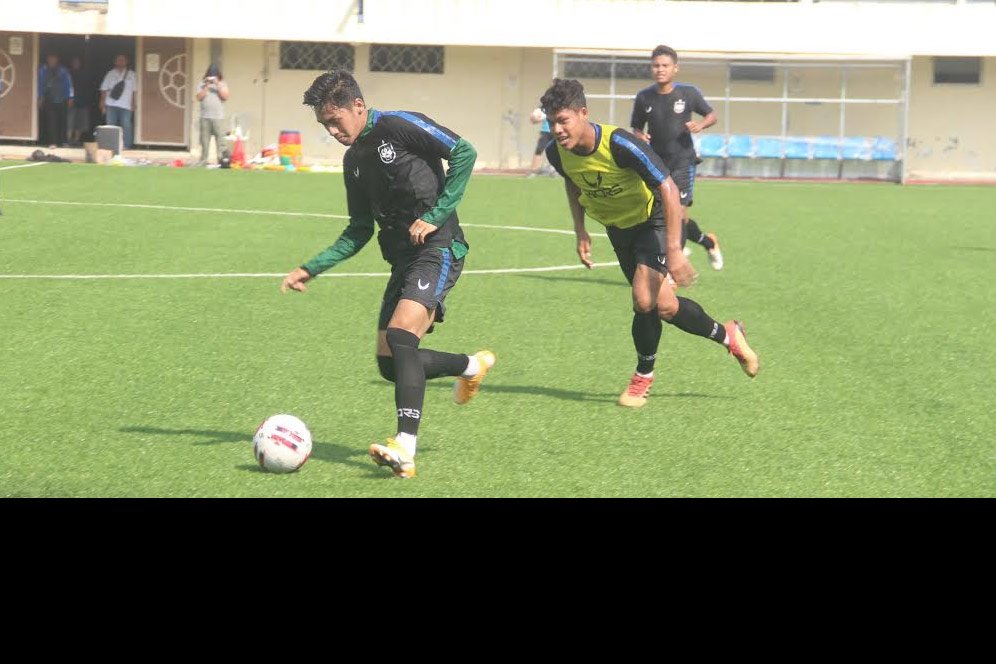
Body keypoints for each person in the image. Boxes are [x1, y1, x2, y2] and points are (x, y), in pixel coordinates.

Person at [280, 70, 496, 479]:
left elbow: (464, 151)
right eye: (324, 125)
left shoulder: (400, 125)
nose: (332, 130)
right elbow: (359, 229)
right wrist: (312, 267)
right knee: (389, 363)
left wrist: (434, 216)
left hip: (440, 247)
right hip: (403, 261)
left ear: (358, 107)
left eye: (335, 120)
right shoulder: (353, 161)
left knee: (401, 337)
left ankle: (405, 447)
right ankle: (471, 365)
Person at [541, 78, 758, 408]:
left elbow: (668, 189)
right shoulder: (556, 153)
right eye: (551, 121)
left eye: (563, 120)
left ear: (583, 113)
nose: (556, 129)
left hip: (651, 220)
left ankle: (643, 376)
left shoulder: (619, 144)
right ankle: (730, 336)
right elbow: (574, 184)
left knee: (643, 300)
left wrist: (673, 250)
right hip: (618, 229)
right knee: (666, 307)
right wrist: (580, 230)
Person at [630, 45, 724, 270]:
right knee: (671, 218)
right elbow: (635, 128)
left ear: (675, 69)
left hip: (683, 162)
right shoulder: (644, 97)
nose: (660, 69)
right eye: (656, 65)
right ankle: (708, 242)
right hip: (656, 165)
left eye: (665, 65)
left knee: (678, 212)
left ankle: (672, 269)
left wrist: (700, 124)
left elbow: (711, 115)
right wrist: (640, 136)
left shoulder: (688, 93)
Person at [195, 64, 230, 166]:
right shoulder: (202, 84)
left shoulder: (222, 84)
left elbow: (226, 96)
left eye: (213, 76)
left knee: (220, 140)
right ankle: (203, 160)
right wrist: (206, 86)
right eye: (210, 75)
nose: (211, 78)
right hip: (205, 117)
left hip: (218, 117)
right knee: (204, 140)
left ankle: (221, 160)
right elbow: (199, 97)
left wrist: (217, 84)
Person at [37, 54, 74, 148]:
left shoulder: (63, 70)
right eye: (50, 58)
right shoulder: (42, 70)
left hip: (62, 98)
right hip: (49, 98)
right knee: (50, 121)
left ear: (57, 59)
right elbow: (40, 85)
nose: (52, 60)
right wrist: (40, 97)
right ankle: (52, 142)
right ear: (47, 59)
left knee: (63, 121)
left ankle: (64, 141)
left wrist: (70, 97)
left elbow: (69, 84)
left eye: (54, 58)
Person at [99, 54, 136, 149]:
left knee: (126, 125)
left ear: (126, 61)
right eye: (118, 60)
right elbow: (104, 89)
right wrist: (102, 103)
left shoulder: (132, 74)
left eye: (123, 60)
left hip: (126, 105)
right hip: (111, 104)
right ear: (115, 62)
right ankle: (110, 146)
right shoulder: (110, 74)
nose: (120, 61)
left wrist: (133, 103)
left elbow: (134, 91)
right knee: (110, 125)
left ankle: (127, 146)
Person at [67, 56, 94, 147]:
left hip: (83, 101)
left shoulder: (85, 74)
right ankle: (68, 140)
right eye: (74, 62)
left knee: (81, 123)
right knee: (70, 122)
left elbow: (89, 87)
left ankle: (76, 140)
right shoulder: (68, 73)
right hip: (71, 101)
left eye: (77, 62)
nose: (76, 64)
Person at [527, 107, 555, 177]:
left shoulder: (558, 103)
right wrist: (535, 118)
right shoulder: (543, 106)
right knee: (539, 150)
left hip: (555, 130)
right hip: (545, 131)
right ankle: (534, 170)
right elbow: (534, 120)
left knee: (556, 151)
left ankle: (554, 170)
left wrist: (546, 116)